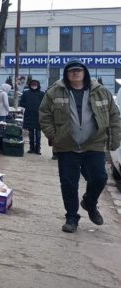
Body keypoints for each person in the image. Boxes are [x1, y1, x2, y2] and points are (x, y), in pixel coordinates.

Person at [39, 60, 120, 233]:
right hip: (67, 144)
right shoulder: (55, 92)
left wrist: (114, 139)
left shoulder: (101, 92)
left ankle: (89, 203)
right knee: (69, 183)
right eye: (71, 71)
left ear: (85, 73)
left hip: (94, 143)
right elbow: (44, 114)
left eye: (78, 70)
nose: (75, 73)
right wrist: (54, 136)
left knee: (99, 178)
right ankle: (71, 217)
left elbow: (114, 116)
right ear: (66, 74)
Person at [19, 79, 45, 154]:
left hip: (38, 115)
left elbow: (45, 104)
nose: (34, 86)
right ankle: (31, 148)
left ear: (38, 85)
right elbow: (21, 102)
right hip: (29, 115)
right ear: (30, 85)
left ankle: (38, 149)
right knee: (30, 133)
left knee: (38, 133)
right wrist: (27, 105)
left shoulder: (41, 94)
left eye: (35, 85)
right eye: (32, 85)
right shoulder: (26, 93)